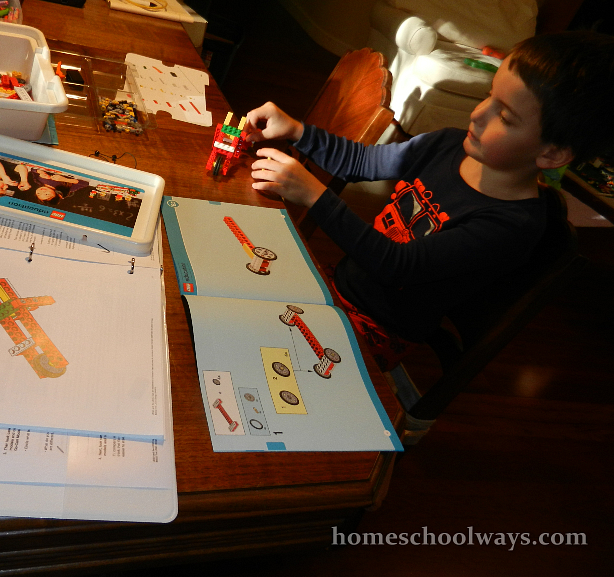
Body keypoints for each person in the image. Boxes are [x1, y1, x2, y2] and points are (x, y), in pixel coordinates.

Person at [243, 31, 614, 370]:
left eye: (504, 115)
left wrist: (313, 194)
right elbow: (362, 162)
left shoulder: (512, 225)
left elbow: (398, 266)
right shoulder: (448, 143)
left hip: (375, 332)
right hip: (337, 286)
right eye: (488, 95)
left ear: (552, 154)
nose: (477, 114)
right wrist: (298, 130)